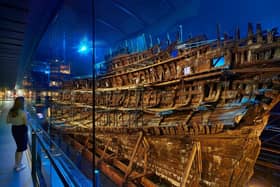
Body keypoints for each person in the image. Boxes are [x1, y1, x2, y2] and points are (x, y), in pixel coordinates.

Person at [6, 96, 28, 172]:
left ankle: (17, 164)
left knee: (19, 147)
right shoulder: (22, 112)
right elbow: (26, 123)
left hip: (14, 129)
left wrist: (15, 121)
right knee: (20, 148)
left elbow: (8, 121)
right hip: (22, 130)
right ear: (22, 103)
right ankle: (18, 166)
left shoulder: (11, 111)